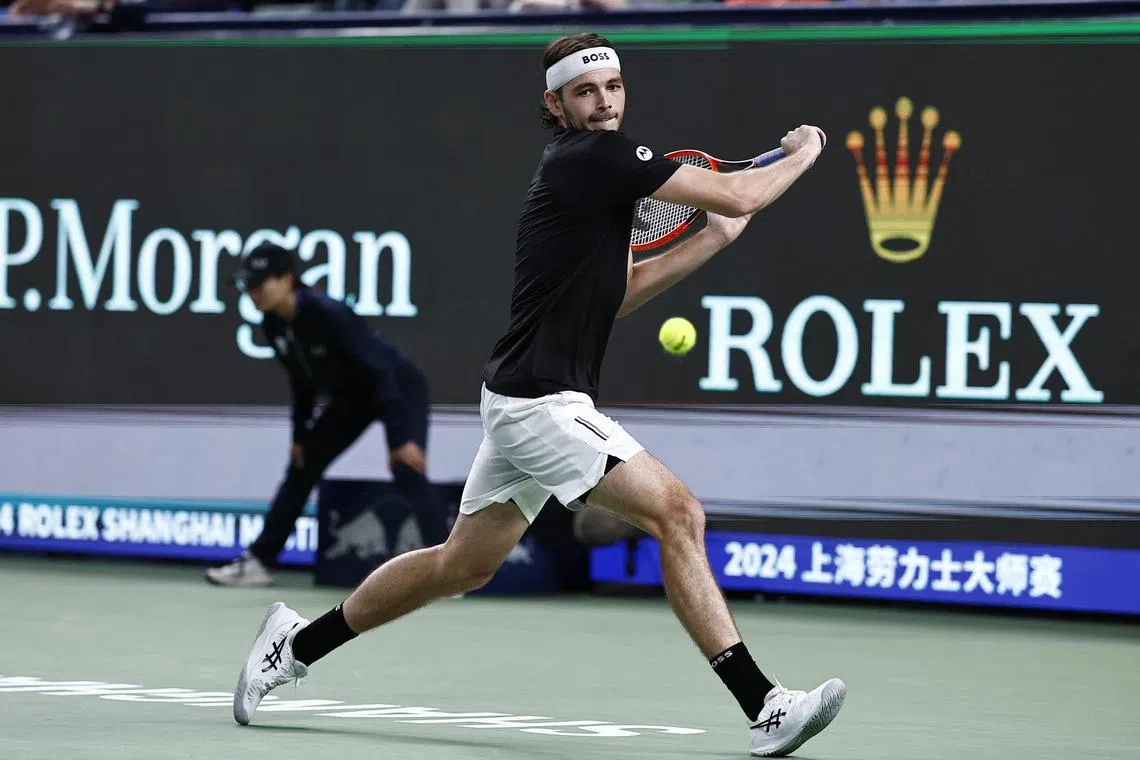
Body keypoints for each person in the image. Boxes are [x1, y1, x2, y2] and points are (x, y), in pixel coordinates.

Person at [228, 33, 845, 757]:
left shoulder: (596, 176)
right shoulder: (599, 158)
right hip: (542, 406)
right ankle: (765, 705)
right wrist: (805, 150)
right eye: (586, 92)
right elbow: (743, 187)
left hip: (525, 401)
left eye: (613, 87)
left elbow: (620, 294)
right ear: (555, 104)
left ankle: (294, 645)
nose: (604, 102)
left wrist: (712, 241)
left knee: (462, 565)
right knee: (680, 513)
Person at [205, 243, 450, 587]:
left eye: (259, 284)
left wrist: (400, 439)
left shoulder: (328, 314)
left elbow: (382, 374)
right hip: (351, 400)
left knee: (406, 467)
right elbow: (302, 383)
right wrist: (300, 436)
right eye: (248, 285)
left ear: (287, 279)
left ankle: (450, 572)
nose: (251, 293)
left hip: (397, 387)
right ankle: (259, 562)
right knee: (302, 468)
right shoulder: (273, 325)